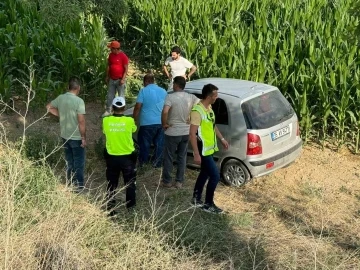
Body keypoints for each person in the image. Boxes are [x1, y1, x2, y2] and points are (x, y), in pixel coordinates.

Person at [189, 84, 229, 214]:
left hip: (209, 149)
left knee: (205, 173)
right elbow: (192, 134)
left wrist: (222, 139)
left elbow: (213, 126)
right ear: (208, 96)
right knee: (215, 176)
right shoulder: (197, 111)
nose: (216, 98)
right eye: (215, 95)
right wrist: (196, 153)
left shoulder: (209, 109)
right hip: (202, 149)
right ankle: (208, 204)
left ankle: (196, 198)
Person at [46, 76, 86, 191]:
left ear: (68, 87)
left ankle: (70, 183)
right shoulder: (79, 101)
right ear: (78, 88)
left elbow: (48, 107)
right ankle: (79, 186)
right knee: (79, 162)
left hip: (65, 135)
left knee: (69, 161)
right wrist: (83, 137)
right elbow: (81, 121)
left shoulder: (60, 98)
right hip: (76, 137)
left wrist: (60, 114)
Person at [161, 76, 199, 188]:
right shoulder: (191, 97)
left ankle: (167, 181)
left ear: (176, 85)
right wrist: (192, 117)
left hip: (172, 131)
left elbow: (165, 112)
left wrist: (164, 124)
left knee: (169, 157)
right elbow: (201, 105)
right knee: (182, 157)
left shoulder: (170, 97)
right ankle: (179, 182)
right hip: (186, 132)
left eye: (173, 84)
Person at [103, 96, 137, 215]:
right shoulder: (129, 121)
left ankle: (110, 209)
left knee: (111, 184)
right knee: (130, 183)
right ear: (124, 108)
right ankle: (131, 208)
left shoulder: (106, 121)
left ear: (112, 108)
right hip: (127, 158)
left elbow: (104, 132)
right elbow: (133, 130)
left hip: (111, 157)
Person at [133, 74, 167, 167]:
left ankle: (143, 164)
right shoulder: (163, 91)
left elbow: (137, 107)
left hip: (147, 123)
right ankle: (157, 164)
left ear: (146, 81)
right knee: (159, 145)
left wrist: (134, 119)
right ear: (153, 81)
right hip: (160, 122)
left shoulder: (143, 91)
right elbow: (166, 107)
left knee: (144, 144)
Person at [103, 40, 129, 117]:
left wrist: (123, 79)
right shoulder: (111, 55)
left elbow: (126, 69)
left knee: (121, 96)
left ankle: (121, 111)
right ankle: (108, 110)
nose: (110, 50)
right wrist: (107, 76)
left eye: (111, 48)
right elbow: (109, 65)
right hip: (112, 79)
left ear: (116, 49)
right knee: (110, 95)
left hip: (120, 80)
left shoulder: (123, 57)